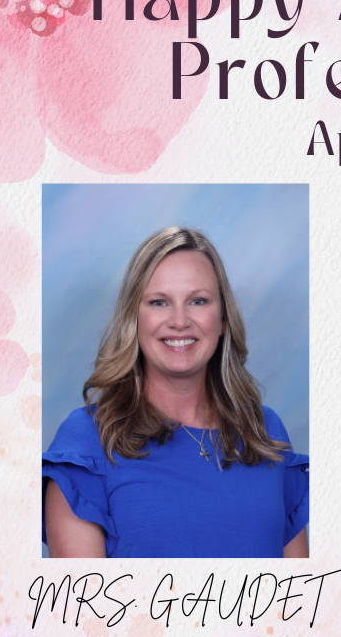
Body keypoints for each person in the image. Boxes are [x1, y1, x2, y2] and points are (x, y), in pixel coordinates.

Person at [43, 227, 309, 558]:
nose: (180, 321)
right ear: (133, 319)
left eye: (198, 301)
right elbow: (82, 606)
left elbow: (298, 601)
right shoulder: (86, 441)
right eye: (159, 302)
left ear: (223, 319)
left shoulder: (265, 432)